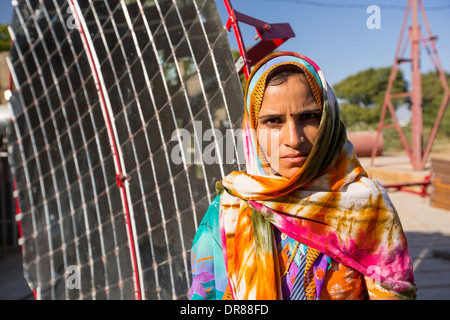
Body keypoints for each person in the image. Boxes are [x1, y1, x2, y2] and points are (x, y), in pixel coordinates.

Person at [189, 52, 417, 300]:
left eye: (308, 117)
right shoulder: (227, 211)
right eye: (273, 121)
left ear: (329, 121)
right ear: (253, 130)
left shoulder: (368, 206)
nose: (293, 139)